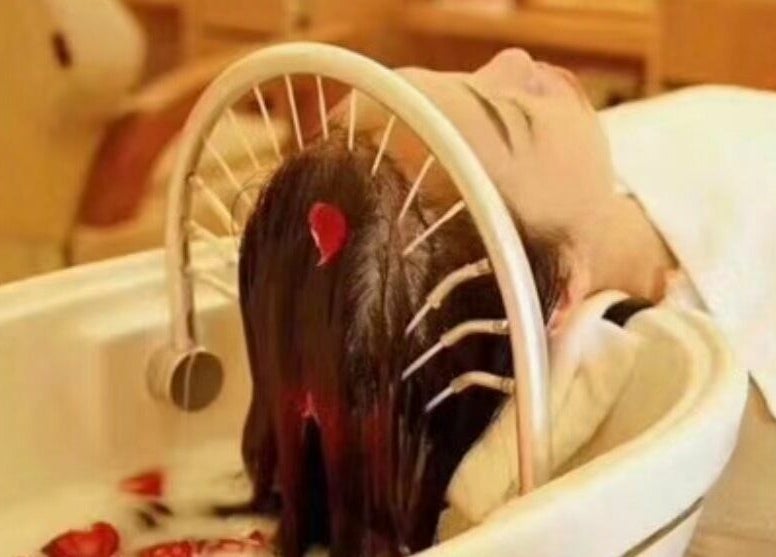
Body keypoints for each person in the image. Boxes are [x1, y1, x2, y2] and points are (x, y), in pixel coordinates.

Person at [238, 49, 776, 557]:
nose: (512, 59)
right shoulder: (732, 425)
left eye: (458, 75)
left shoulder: (566, 175)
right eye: (516, 119)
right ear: (557, 290)